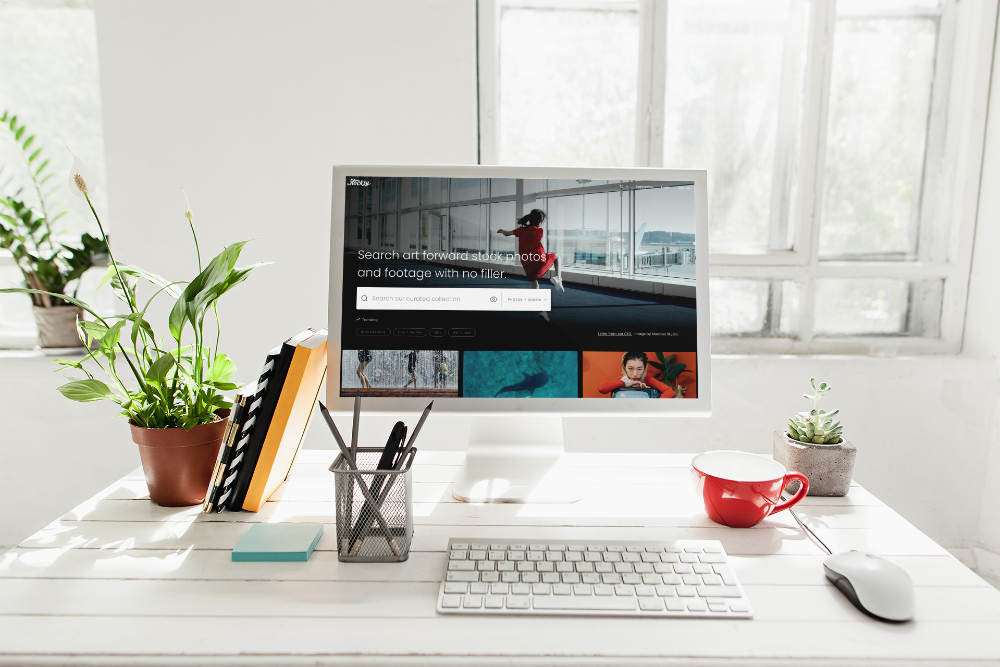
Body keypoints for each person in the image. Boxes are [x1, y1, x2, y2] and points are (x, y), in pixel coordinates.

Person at [496, 208, 564, 321]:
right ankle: (558, 278)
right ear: (539, 222)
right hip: (539, 260)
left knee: (535, 286)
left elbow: (507, 233)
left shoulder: (521, 231)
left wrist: (502, 231)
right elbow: (534, 232)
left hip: (527, 264)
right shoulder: (539, 231)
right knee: (557, 257)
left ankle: (542, 311)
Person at [597, 351, 679, 398]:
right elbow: (601, 388)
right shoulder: (623, 381)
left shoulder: (648, 379)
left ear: (645, 367)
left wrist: (654, 406)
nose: (635, 374)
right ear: (624, 367)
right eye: (631, 368)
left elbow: (670, 392)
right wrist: (630, 383)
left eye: (639, 369)